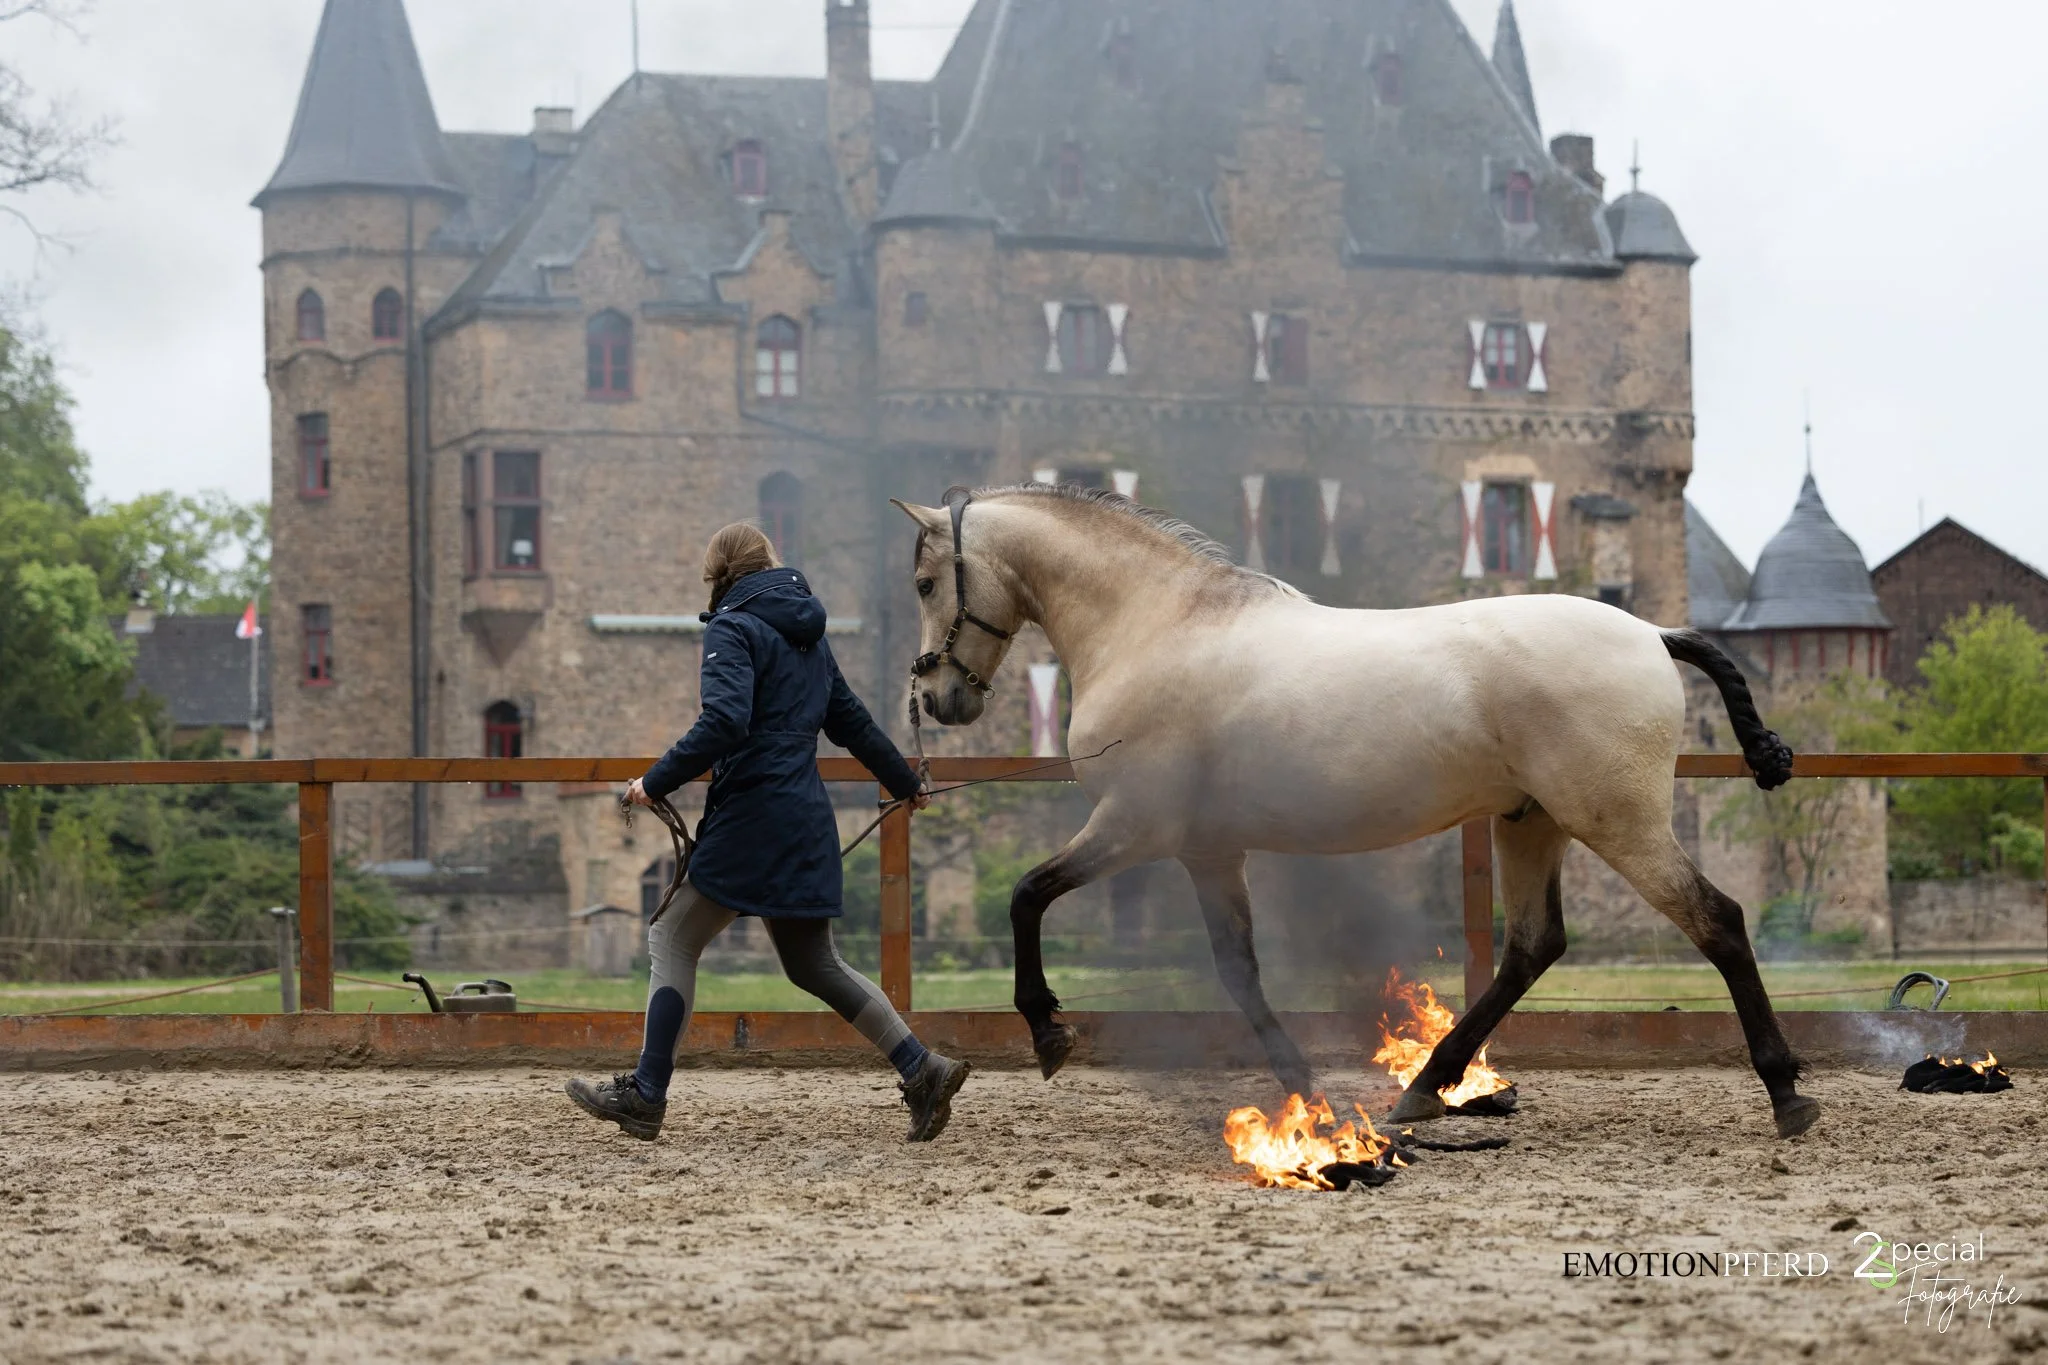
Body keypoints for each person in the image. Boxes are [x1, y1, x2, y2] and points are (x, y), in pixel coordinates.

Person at [566, 524, 969, 1142]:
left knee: (672, 937)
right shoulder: (807, 633)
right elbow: (852, 723)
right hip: (804, 816)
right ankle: (922, 1069)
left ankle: (647, 1093)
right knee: (814, 962)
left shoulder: (732, 627)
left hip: (754, 813)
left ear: (720, 573)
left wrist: (655, 781)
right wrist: (905, 779)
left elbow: (726, 721)